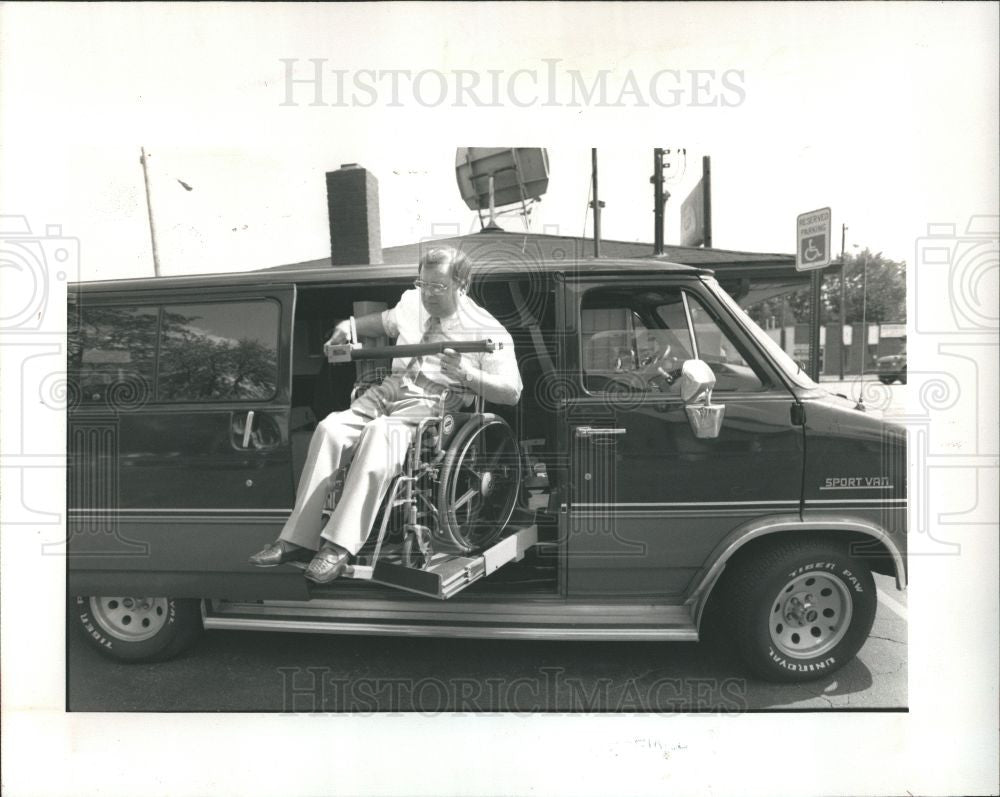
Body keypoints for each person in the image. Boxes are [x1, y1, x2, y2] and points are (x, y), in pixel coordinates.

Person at [248, 247, 522, 583]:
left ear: (462, 284)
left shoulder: (487, 329)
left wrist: (467, 374)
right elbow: (383, 321)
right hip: (390, 389)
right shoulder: (412, 302)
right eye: (423, 284)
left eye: (438, 287)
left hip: (434, 402)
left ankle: (338, 546)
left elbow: (512, 392)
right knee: (330, 428)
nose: (429, 296)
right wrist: (347, 325)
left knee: (381, 434)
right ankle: (296, 539)